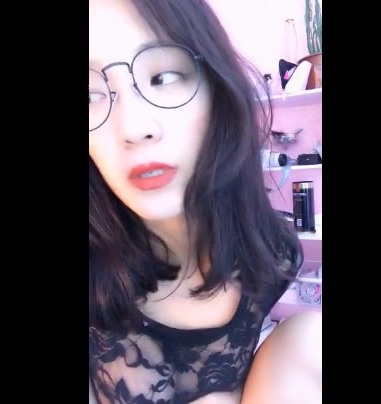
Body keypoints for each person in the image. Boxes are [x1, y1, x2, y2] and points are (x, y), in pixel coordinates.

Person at [88, 0, 322, 403]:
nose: (135, 127)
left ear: (217, 89)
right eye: (89, 95)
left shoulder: (275, 251)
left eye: (163, 77)